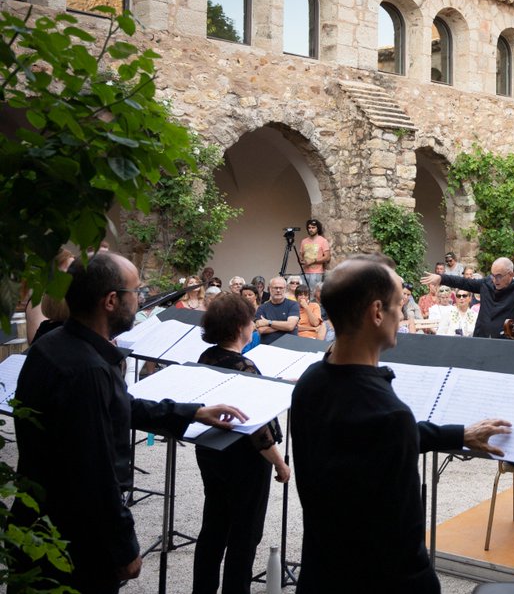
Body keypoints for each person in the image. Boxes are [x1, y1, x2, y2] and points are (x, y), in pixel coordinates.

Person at [13, 252, 246, 593]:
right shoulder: (87, 370)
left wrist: (191, 412)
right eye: (137, 292)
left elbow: (120, 407)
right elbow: (96, 474)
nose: (140, 300)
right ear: (111, 301)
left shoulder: (53, 345)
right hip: (72, 545)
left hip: (39, 527)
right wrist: (123, 547)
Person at [291, 255, 512, 593]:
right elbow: (401, 540)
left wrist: (459, 434)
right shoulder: (388, 414)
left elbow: (373, 437)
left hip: (323, 572)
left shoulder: (311, 382)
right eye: (398, 305)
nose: (403, 315)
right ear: (376, 312)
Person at [193, 294, 290, 594]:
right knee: (244, 536)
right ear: (239, 327)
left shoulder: (206, 357)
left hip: (210, 452)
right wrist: (279, 462)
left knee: (213, 527)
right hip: (243, 460)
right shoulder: (244, 366)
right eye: (250, 320)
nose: (254, 324)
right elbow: (257, 428)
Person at [422, 257, 514, 339]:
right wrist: (441, 278)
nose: (495, 280)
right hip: (482, 339)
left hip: (508, 343)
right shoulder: (486, 284)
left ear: (511, 275)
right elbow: (463, 282)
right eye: (493, 275)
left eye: (499, 276)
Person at [254, 276, 300, 343]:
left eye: (281, 288)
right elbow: (261, 330)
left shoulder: (293, 305)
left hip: (290, 345)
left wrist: (268, 322)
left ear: (285, 289)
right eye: (275, 288)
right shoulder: (262, 308)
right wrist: (284, 325)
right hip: (268, 347)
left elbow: (290, 326)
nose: (278, 290)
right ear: (270, 289)